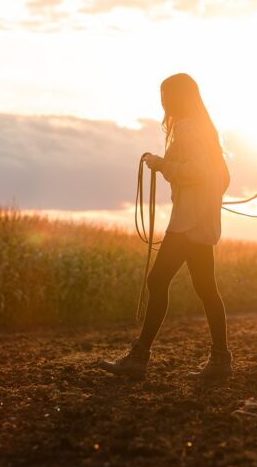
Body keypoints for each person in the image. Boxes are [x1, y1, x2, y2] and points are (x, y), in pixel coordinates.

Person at [99, 73, 232, 381]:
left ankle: (139, 358)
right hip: (202, 221)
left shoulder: (187, 129)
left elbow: (196, 172)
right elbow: (221, 177)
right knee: (206, 289)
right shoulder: (206, 131)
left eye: (165, 95)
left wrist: (161, 165)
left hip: (188, 223)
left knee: (158, 280)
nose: (162, 101)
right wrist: (208, 199)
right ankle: (221, 360)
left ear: (177, 97)